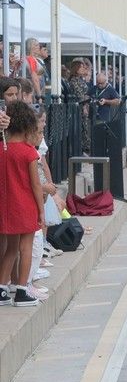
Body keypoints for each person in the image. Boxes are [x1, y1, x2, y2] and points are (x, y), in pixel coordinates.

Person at [0, 102, 45, 308]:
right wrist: (41, 211)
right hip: (25, 206)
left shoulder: (2, 149)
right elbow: (36, 186)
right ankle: (21, 291)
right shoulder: (29, 153)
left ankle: (1, 289)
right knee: (25, 248)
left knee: (10, 249)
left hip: (7, 206)